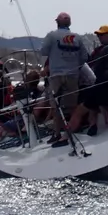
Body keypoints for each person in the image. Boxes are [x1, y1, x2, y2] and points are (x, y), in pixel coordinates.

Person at [40, 11, 89, 142]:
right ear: (70, 23)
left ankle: (56, 134)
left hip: (56, 75)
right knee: (73, 106)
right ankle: (71, 132)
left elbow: (43, 51)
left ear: (57, 22)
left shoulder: (52, 35)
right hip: (73, 76)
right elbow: (84, 57)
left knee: (56, 106)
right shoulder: (77, 38)